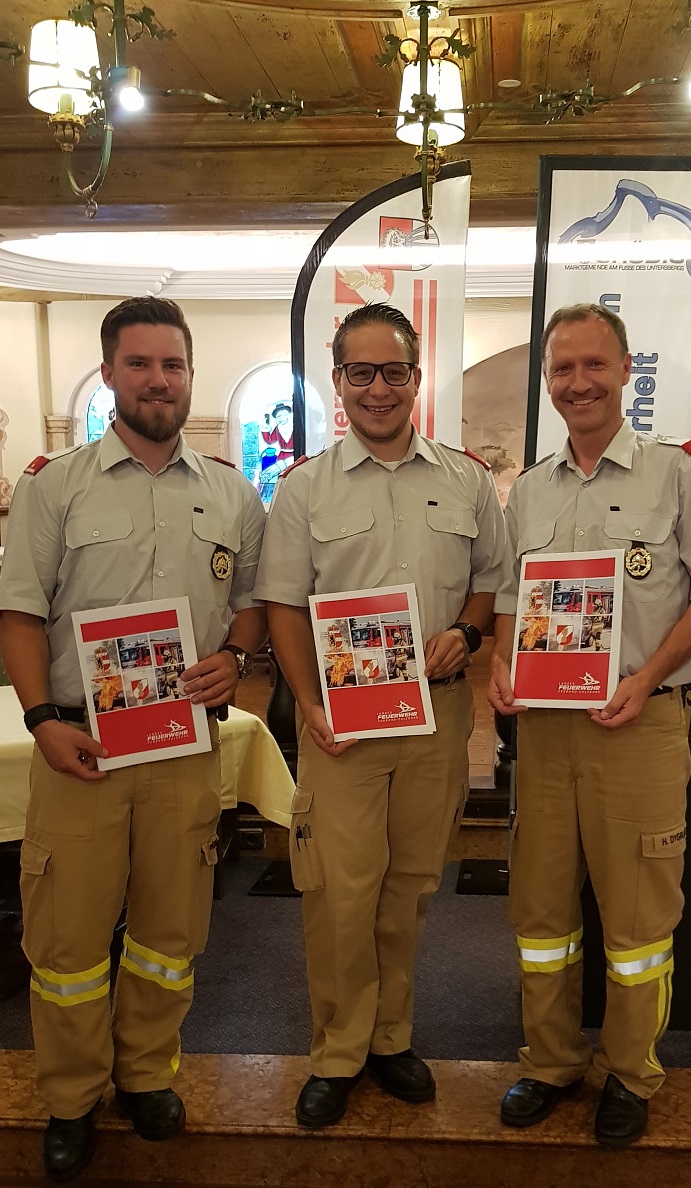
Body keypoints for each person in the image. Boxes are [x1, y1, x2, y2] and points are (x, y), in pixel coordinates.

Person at [0, 297, 267, 1182]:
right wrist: (42, 720)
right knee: (67, 937)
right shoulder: (55, 485)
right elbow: (20, 613)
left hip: (182, 745)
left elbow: (252, 604)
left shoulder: (233, 493)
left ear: (190, 374)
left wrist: (236, 656)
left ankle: (148, 1071)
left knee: (169, 926)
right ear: (110, 371)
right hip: (82, 746)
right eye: (141, 363)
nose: (159, 379)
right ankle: (72, 1094)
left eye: (173, 364)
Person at [489, 303, 691, 1149]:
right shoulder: (532, 488)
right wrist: (502, 663)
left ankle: (632, 1071)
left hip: (637, 724)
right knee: (540, 909)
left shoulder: (680, 473)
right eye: (562, 368)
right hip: (547, 730)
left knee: (637, 917)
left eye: (594, 364)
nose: (578, 382)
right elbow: (510, 597)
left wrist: (645, 674)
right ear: (548, 380)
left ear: (627, 370)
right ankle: (551, 1059)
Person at [255, 302, 505, 1128]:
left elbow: (489, 582)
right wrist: (308, 702)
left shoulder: (466, 480)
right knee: (339, 890)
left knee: (410, 884)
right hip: (345, 723)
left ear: (416, 376)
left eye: (393, 370)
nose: (378, 387)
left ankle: (391, 1036)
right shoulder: (304, 488)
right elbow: (284, 606)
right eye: (360, 371)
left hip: (436, 717)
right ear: (337, 381)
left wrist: (468, 633)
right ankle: (338, 1049)